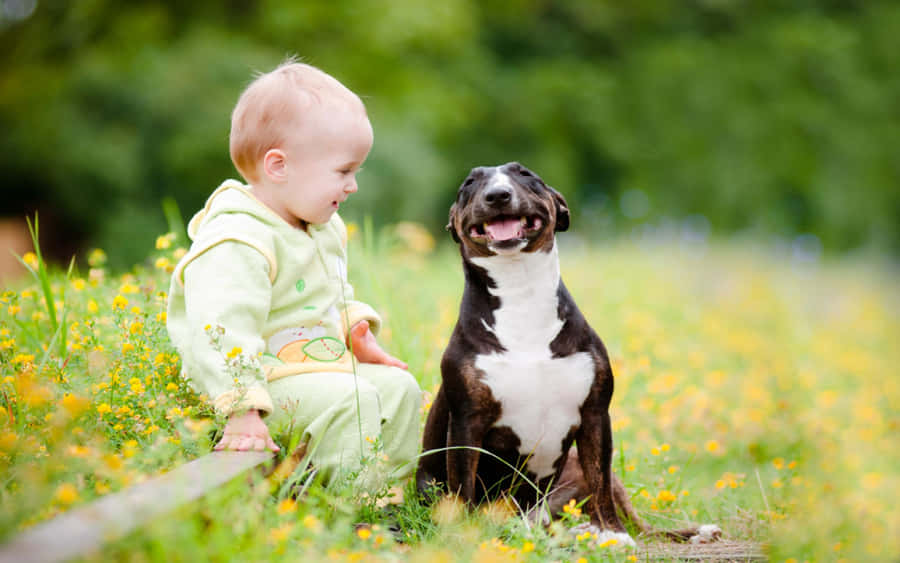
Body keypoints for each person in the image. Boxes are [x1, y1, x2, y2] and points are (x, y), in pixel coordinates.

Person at [166, 59, 421, 485]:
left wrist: (354, 329)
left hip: (314, 372)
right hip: (258, 387)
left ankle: (387, 500)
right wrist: (242, 408)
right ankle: (345, 508)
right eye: (343, 171)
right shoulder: (238, 238)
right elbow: (221, 330)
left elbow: (332, 294)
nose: (353, 185)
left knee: (400, 389)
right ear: (279, 166)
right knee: (354, 400)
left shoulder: (320, 227)